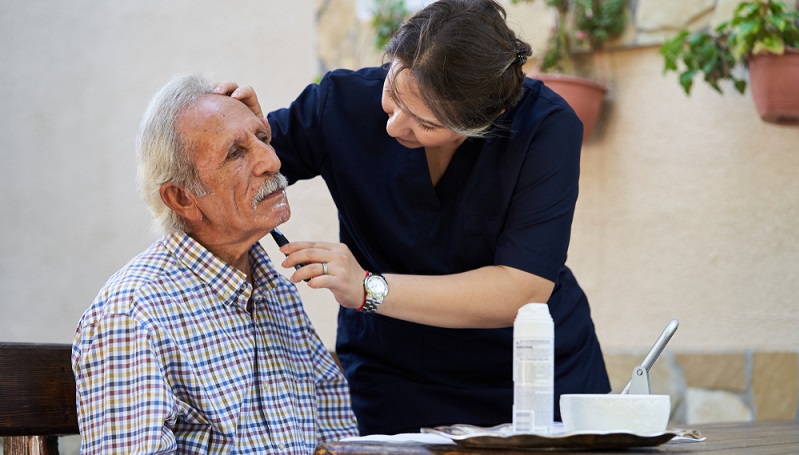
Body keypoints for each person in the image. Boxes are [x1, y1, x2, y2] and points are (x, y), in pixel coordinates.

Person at [218, 0, 610, 435]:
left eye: (425, 122)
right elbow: (243, 176)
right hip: (393, 375)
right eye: (392, 95)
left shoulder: (544, 128)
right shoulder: (339, 104)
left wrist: (368, 288)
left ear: (487, 120)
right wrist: (245, 134)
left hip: (530, 371)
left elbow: (522, 288)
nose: (394, 126)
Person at [71, 74, 358, 454]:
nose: (271, 161)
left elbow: (340, 443)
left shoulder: (278, 295)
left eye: (263, 138)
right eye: (236, 153)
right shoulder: (133, 316)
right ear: (182, 198)